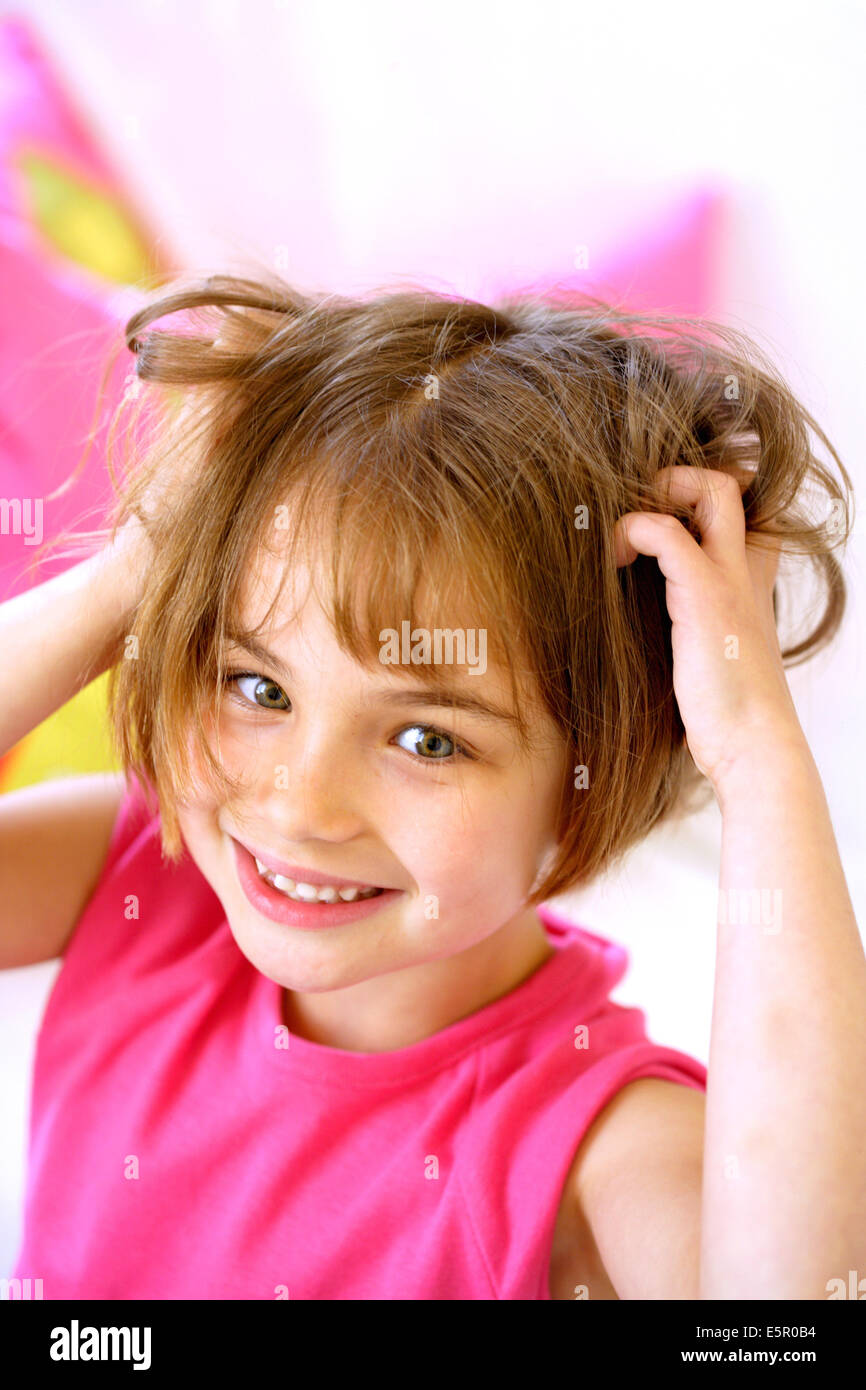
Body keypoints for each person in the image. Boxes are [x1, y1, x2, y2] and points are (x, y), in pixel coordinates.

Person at [2, 273, 864, 1299]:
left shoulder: (598, 1150)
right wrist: (139, 569)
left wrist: (754, 747)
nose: (296, 804)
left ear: (595, 779)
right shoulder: (139, 879)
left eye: (425, 738)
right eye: (255, 683)